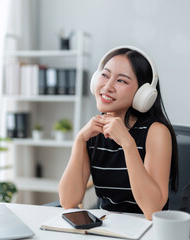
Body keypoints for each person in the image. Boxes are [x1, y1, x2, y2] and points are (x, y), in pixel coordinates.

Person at [58, 46, 178, 220]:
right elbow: (68, 201)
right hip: (107, 228)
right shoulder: (93, 131)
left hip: (147, 230)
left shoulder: (156, 132)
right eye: (105, 75)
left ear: (142, 94)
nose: (107, 86)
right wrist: (80, 140)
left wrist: (127, 144)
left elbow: (153, 210)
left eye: (121, 81)